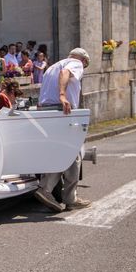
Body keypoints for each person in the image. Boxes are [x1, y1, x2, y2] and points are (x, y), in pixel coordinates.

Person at [33, 48, 91, 212]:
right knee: (71, 152)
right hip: (62, 110)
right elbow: (66, 73)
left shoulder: (51, 67)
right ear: (84, 61)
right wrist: (63, 95)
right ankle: (47, 189)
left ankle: (64, 195)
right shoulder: (76, 63)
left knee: (61, 151)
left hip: (46, 109)